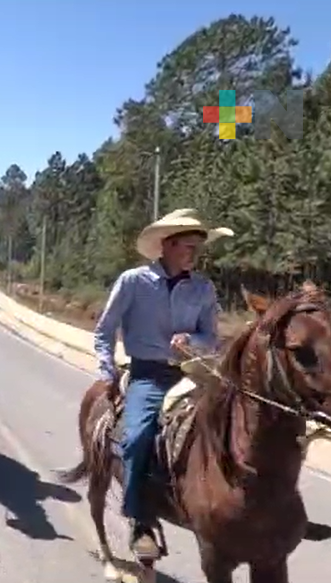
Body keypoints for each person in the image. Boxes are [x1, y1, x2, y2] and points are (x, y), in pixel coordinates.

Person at [94, 208, 233, 558]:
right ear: (166, 246)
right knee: (138, 436)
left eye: (197, 248)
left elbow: (211, 336)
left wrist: (193, 339)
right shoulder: (133, 281)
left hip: (193, 371)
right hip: (149, 373)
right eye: (188, 246)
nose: (194, 254)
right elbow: (105, 329)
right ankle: (139, 518)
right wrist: (107, 369)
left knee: (241, 423)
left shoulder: (203, 287)